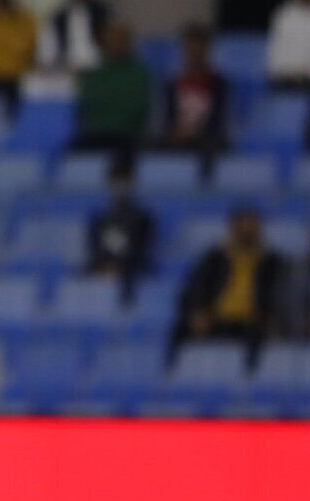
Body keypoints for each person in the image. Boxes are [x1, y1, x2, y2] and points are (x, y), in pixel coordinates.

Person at [174, 206, 288, 363]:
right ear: (233, 229)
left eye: (252, 226)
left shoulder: (271, 262)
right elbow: (193, 289)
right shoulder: (215, 259)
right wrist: (197, 312)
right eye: (243, 226)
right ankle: (168, 375)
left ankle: (249, 378)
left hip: (251, 321)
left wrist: (271, 315)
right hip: (217, 319)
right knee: (178, 329)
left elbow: (280, 294)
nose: (247, 230)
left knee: (260, 336)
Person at [69, 20, 151, 159]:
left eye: (121, 40)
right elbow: (86, 104)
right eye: (112, 40)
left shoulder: (140, 74)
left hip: (126, 135)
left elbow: (138, 108)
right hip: (95, 134)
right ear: (104, 43)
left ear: (129, 43)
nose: (116, 44)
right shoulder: (92, 74)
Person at [83, 154, 155, 299]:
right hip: (101, 275)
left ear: (132, 182)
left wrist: (120, 268)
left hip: (132, 278)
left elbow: (142, 252)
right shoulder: (100, 220)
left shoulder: (143, 219)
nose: (119, 186)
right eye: (116, 180)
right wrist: (103, 267)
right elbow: (94, 251)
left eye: (124, 180)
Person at [158, 22, 227, 162]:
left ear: (206, 50)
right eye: (191, 50)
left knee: (215, 147)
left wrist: (194, 132)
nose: (194, 55)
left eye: (198, 50)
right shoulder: (173, 84)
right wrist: (176, 132)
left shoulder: (218, 84)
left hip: (205, 138)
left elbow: (218, 118)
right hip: (178, 137)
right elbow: (169, 116)